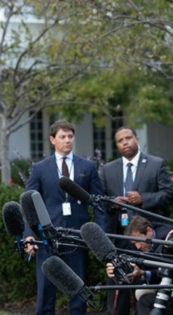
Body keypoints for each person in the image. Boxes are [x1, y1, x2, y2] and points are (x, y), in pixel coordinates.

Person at [23, 120, 105, 315]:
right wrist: (29, 235)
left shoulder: (88, 166)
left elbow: (98, 204)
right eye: (63, 137)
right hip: (47, 237)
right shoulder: (40, 168)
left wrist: (101, 238)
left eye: (70, 137)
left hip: (77, 237)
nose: (68, 140)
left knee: (78, 289)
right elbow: (29, 204)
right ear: (52, 140)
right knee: (46, 289)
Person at [100, 126, 173, 315]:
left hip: (148, 236)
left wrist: (144, 199)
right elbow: (99, 201)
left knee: (148, 280)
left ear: (137, 138)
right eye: (120, 140)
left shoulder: (155, 164)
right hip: (121, 235)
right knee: (119, 283)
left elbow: (168, 194)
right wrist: (112, 203)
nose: (125, 142)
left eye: (128, 138)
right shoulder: (108, 170)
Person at [105, 215, 173, 314]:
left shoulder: (167, 236)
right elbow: (124, 258)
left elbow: (168, 270)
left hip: (165, 280)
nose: (137, 247)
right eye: (134, 243)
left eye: (138, 242)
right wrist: (113, 267)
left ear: (149, 231)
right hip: (144, 277)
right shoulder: (134, 241)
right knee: (118, 274)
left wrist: (143, 273)